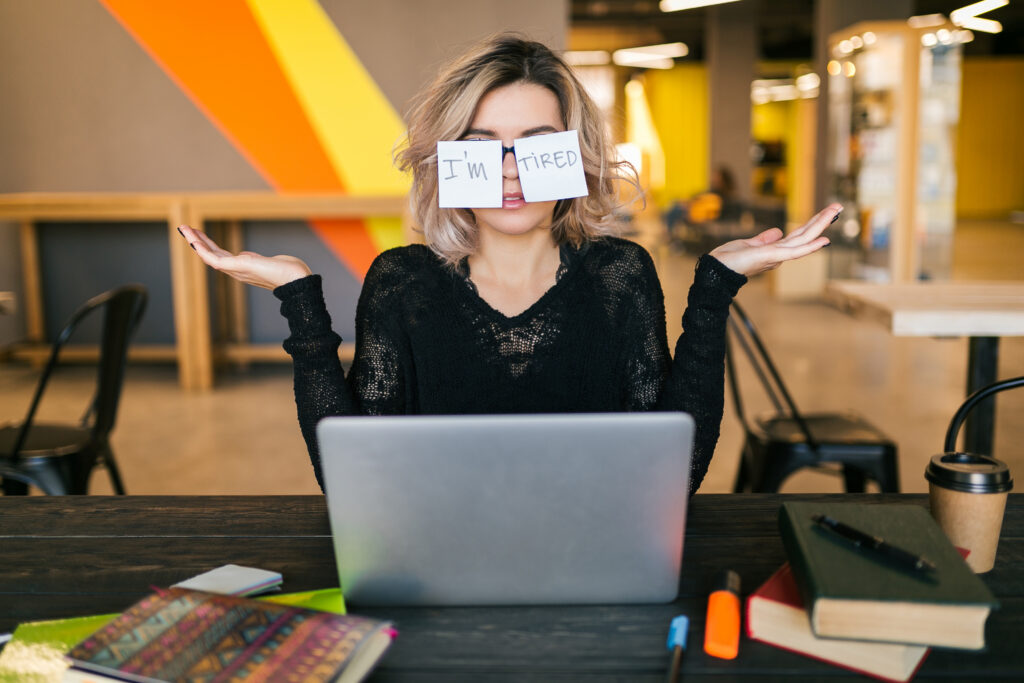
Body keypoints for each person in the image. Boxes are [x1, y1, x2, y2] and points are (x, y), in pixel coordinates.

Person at [177, 34, 836, 496]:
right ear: (450, 161)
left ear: (574, 157)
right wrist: (300, 298)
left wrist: (715, 288)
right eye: (483, 147)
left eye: (536, 146)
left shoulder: (621, 278)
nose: (511, 172)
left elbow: (675, 472)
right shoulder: (401, 283)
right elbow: (354, 478)